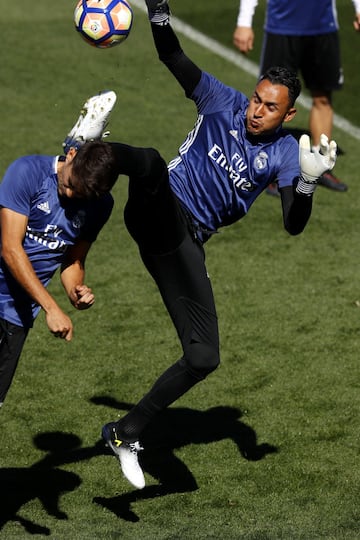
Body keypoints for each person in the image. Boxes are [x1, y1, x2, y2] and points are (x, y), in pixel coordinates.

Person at [93, 0, 337, 490]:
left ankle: (124, 432)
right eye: (256, 99)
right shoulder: (222, 101)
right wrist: (159, 18)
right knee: (151, 164)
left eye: (271, 107)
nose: (256, 111)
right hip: (159, 206)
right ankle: (90, 146)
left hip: (180, 245)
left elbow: (293, 224)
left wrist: (307, 185)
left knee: (204, 356)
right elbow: (175, 60)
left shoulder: (288, 153)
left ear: (289, 113)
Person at [0, 90, 119, 408]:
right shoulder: (26, 172)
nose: (68, 193)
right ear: (69, 156)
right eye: (67, 184)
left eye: (77, 194)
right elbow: (11, 249)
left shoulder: (99, 205)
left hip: (18, 315)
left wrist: (75, 290)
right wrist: (52, 308)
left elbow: (73, 257)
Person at [233, 0, 360, 195]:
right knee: (272, 101)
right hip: (281, 28)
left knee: (323, 97)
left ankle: (321, 166)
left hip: (323, 27)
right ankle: (269, 171)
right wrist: (244, 21)